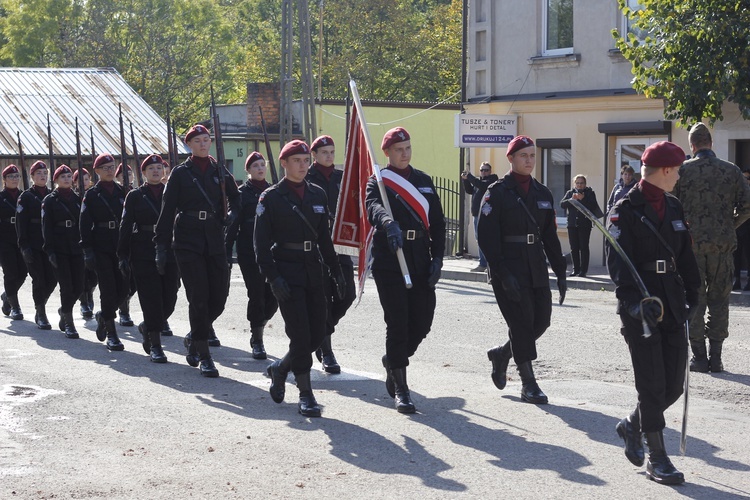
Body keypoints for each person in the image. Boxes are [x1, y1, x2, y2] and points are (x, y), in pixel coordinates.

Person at [606, 141, 700, 485]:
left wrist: (696, 291)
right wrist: (631, 304)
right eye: (677, 171)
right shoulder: (625, 208)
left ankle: (633, 424)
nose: (678, 177)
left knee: (673, 384)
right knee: (651, 383)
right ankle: (657, 458)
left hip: (672, 301)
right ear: (665, 171)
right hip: (642, 304)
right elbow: (617, 263)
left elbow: (685, 255)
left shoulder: (673, 205)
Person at [255, 140, 346, 417]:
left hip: (313, 270)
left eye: (306, 160)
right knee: (300, 334)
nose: (303, 166)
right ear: (284, 164)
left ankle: (280, 368)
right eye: (297, 160)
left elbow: (323, 239)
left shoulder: (318, 194)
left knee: (318, 332)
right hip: (286, 271)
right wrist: (273, 278)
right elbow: (260, 244)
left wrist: (336, 270)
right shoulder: (270, 198)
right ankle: (306, 394)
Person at [479, 135, 567, 405]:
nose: (528, 160)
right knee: (521, 321)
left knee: (541, 320)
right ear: (511, 159)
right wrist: (502, 272)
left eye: (532, 156)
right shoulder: (498, 191)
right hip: (509, 265)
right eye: (523, 156)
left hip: (535, 264)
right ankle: (529, 384)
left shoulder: (542, 192)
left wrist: (561, 271)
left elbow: (550, 236)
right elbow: (486, 236)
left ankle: (503, 353)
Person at [365, 127, 446, 414]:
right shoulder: (379, 181)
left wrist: (438, 259)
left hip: (419, 255)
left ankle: (394, 359)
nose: (405, 153)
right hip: (390, 258)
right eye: (399, 149)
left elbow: (437, 222)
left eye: (408, 148)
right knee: (398, 321)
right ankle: (401, 388)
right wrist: (388, 223)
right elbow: (372, 207)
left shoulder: (423, 181)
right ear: (387, 152)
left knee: (422, 321)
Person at [154, 124, 240, 377]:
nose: (204, 144)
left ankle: (194, 335)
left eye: (207, 140)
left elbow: (237, 199)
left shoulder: (219, 170)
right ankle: (204, 354)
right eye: (198, 140)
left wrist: (232, 216)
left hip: (214, 238)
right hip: (187, 240)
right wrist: (160, 246)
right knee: (199, 297)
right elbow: (167, 211)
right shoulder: (181, 174)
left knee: (219, 298)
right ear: (189, 145)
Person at [673, 123, 750, 373]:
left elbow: (671, 205)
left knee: (694, 298)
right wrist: (730, 224)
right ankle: (716, 358)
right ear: (711, 143)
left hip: (691, 246)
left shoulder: (682, 171)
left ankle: (699, 357)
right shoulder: (731, 170)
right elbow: (747, 206)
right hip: (723, 245)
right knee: (719, 300)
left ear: (692, 145)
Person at [119, 155, 180, 363]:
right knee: (151, 297)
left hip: (170, 249)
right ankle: (155, 344)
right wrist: (122, 254)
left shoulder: (172, 193)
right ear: (143, 173)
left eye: (159, 168)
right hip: (143, 249)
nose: (156, 171)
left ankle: (148, 325)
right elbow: (125, 225)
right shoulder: (135, 196)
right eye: (151, 168)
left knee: (170, 298)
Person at [306, 135, 357, 373]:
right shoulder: (307, 178)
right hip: (317, 247)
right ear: (314, 155)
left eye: (332, 152)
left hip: (340, 245)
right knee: (324, 299)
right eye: (324, 152)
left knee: (347, 295)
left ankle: (322, 331)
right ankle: (326, 351)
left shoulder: (342, 179)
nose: (329, 156)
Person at [225, 151, 278, 360]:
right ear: (248, 171)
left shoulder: (274, 191)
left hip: (272, 250)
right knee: (256, 293)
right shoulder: (241, 194)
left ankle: (260, 323)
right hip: (249, 251)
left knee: (273, 295)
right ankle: (257, 338)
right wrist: (227, 251)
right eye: (255, 166)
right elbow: (234, 225)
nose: (260, 168)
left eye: (262, 165)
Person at [80, 153, 129, 350]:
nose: (109, 170)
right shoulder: (91, 195)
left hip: (121, 245)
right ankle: (111, 332)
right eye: (105, 167)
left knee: (124, 289)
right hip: (100, 245)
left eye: (112, 166)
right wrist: (87, 251)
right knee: (108, 288)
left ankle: (104, 315)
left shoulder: (123, 192)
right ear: (97, 171)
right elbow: (84, 224)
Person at [42, 165, 84, 339]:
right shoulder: (50, 200)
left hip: (76, 246)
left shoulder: (78, 199)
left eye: (68, 176)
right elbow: (46, 227)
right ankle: (69, 322)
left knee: (79, 286)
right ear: (56, 180)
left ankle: (64, 310)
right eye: (63, 177)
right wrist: (49, 250)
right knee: (66, 286)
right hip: (59, 248)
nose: (66, 179)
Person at [16, 160, 57, 329]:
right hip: (33, 243)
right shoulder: (25, 197)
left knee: (53, 280)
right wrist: (23, 246)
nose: (43, 176)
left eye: (45, 173)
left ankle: (40, 303)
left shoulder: (52, 195)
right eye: (39, 173)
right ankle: (41, 312)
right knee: (39, 278)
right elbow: (20, 223)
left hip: (50, 245)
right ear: (32, 176)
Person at [560, 174, 603, 277]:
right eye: (577, 183)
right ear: (574, 184)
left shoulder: (590, 193)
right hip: (572, 224)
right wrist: (571, 199)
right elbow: (562, 204)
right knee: (574, 248)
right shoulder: (570, 193)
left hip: (584, 224)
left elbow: (593, 206)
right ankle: (576, 270)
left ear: (585, 184)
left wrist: (582, 199)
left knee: (583, 247)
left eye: (581, 183)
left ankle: (583, 271)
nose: (579, 185)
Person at [0, 165, 27, 321]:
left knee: (23, 272)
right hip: (4, 239)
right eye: (11, 176)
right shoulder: (1, 197)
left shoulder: (25, 196)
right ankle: (15, 306)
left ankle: (7, 295)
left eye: (16, 176)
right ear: (4, 179)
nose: (14, 179)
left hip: (21, 238)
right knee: (10, 272)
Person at [462, 161, 498, 272]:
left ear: (490, 171)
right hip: (477, 215)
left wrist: (470, 176)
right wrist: (465, 180)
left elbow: (482, 186)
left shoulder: (492, 180)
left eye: (486, 170)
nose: (483, 172)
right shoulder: (479, 181)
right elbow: (470, 190)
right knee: (480, 239)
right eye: (482, 170)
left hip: (486, 215)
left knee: (487, 239)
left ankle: (489, 264)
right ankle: (483, 264)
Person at [73, 168, 97, 320]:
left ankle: (90, 294)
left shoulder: (94, 196)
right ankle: (84, 301)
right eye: (80, 179)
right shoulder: (73, 198)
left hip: (95, 239)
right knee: (82, 273)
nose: (84, 182)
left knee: (94, 275)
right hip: (77, 240)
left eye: (87, 179)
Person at [733, 167, 750, 290]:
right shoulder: (738, 192)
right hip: (739, 227)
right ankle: (737, 280)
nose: (745, 181)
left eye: (747, 178)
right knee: (736, 255)